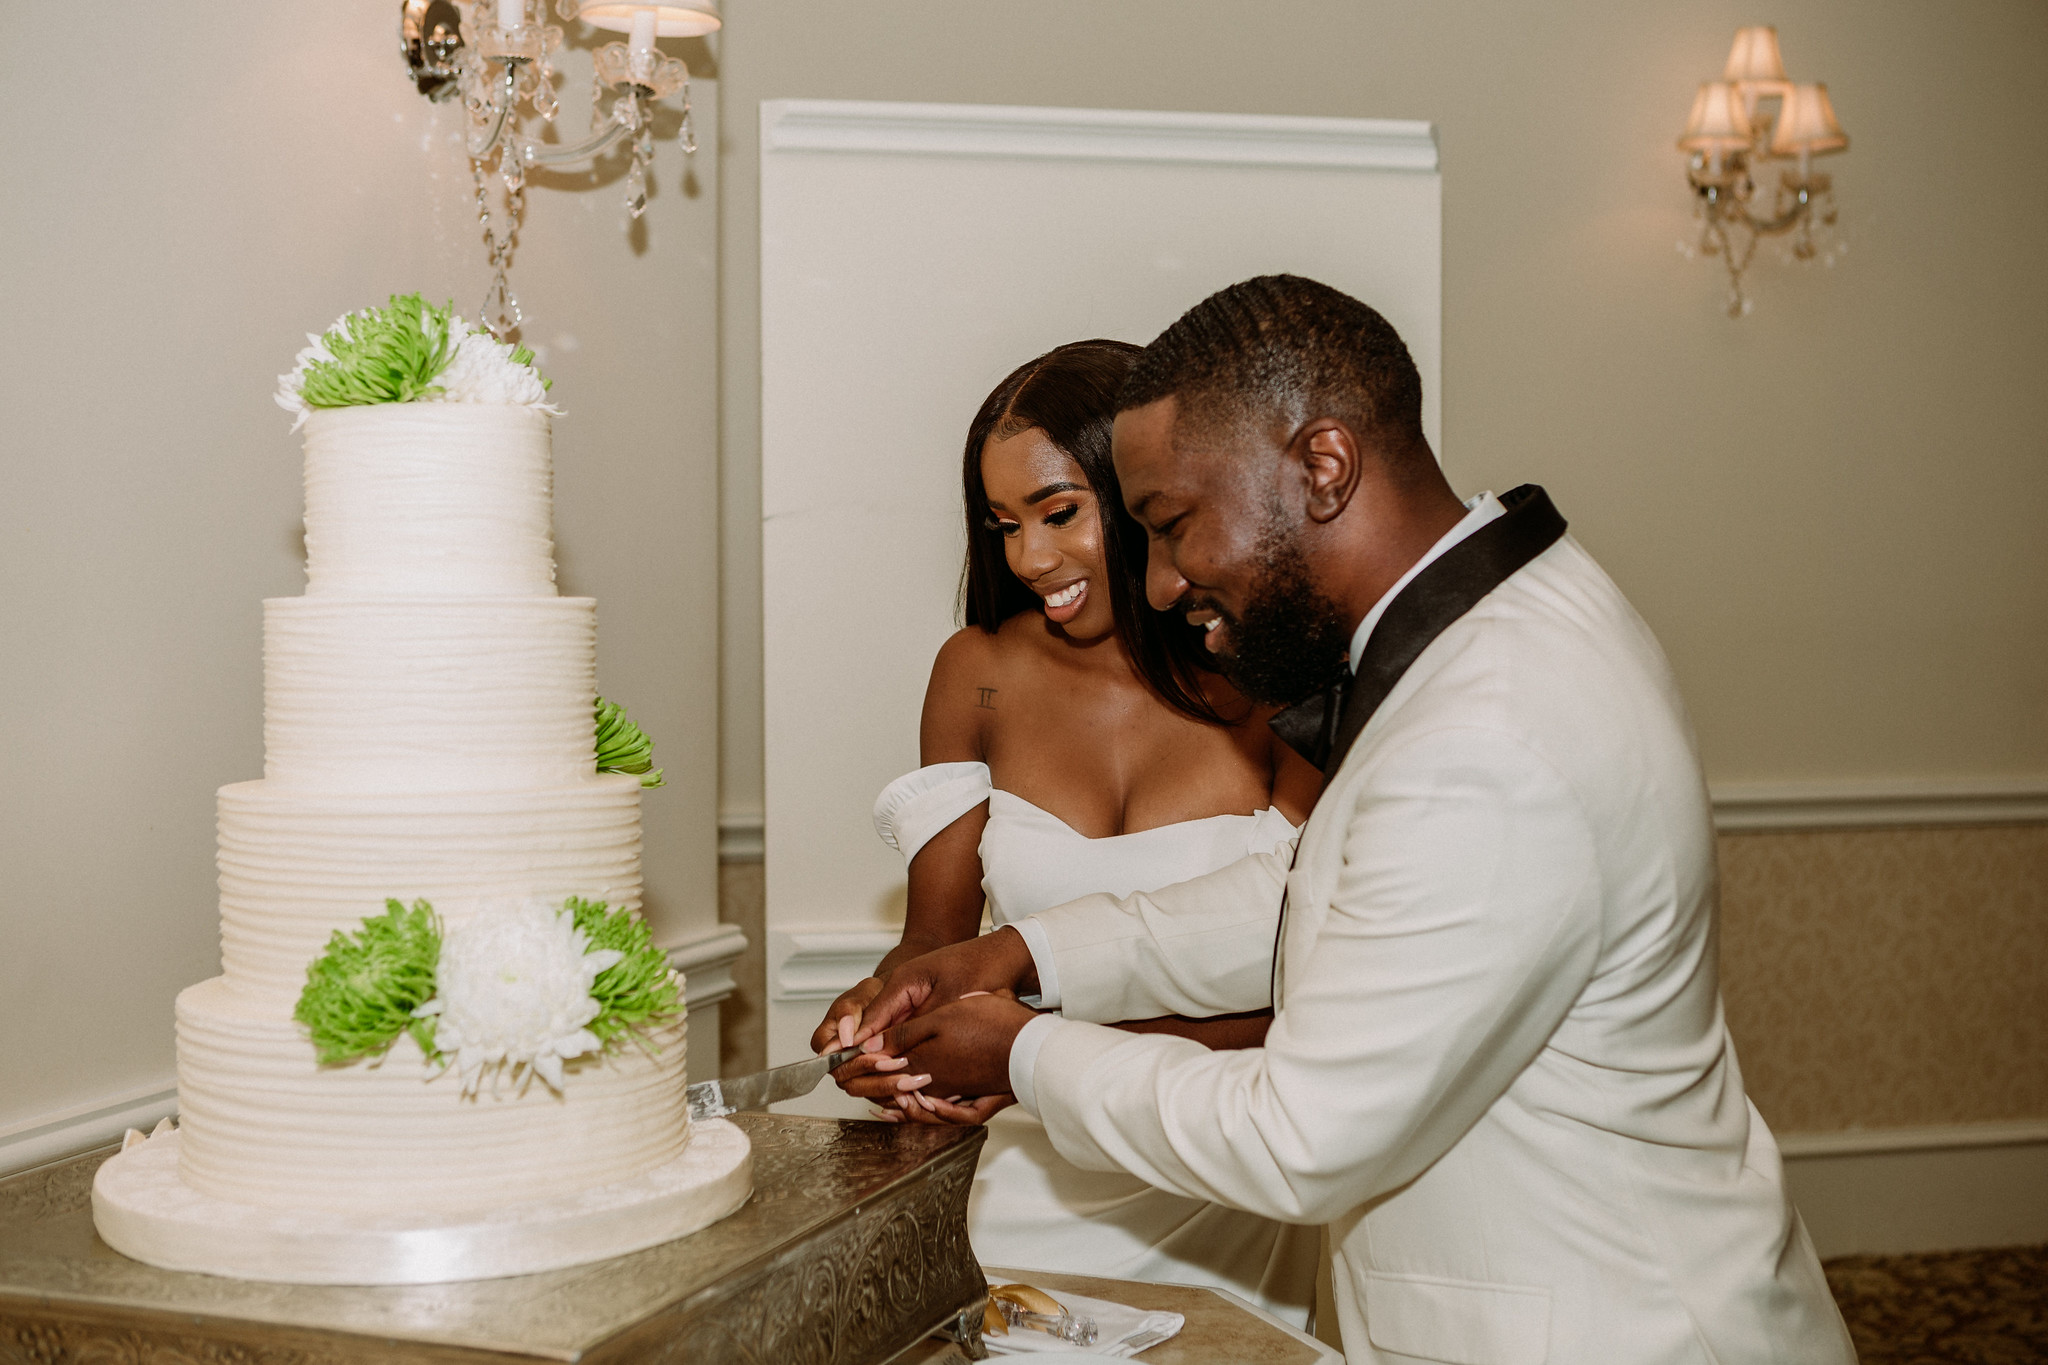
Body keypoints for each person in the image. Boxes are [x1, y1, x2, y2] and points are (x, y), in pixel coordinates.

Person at [850, 278, 1857, 1363]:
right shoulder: (1494, 622)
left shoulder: (1488, 729)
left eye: (1174, 525)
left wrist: (1027, 1058)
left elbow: (1302, 1139)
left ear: (1320, 468)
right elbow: (1313, 899)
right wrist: (1023, 951)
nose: (1158, 582)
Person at [811, 339, 1323, 1323]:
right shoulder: (977, 671)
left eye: (1058, 514)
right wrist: (885, 1019)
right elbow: (936, 941)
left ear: (1145, 494)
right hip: (1032, 1184)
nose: (1027, 559)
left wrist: (1029, 1050)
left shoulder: (1268, 678)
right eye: (1003, 525)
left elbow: (1315, 983)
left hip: (1228, 1177)